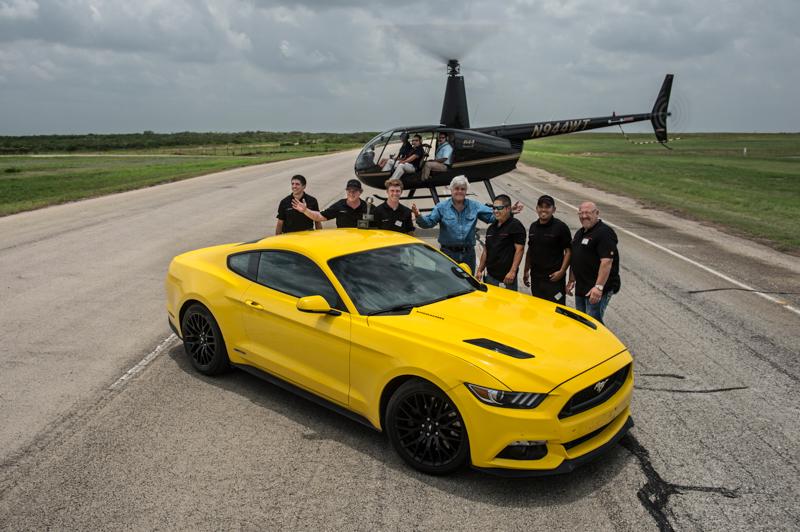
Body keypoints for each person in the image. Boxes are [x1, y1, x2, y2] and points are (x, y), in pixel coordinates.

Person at [412, 175, 523, 273]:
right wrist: (418, 216)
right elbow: (428, 223)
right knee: (446, 285)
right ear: (451, 190)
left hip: (468, 255)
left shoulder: (474, 206)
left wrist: (508, 211)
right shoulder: (441, 207)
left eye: (462, 189)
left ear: (466, 191)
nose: (459, 191)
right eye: (456, 188)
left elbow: (492, 217)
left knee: (468, 286)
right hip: (447, 254)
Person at [567, 201, 621, 324]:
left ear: (597, 213)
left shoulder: (604, 233)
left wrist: (599, 287)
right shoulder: (581, 232)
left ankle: (601, 343)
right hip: (582, 287)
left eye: (588, 213)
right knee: (581, 321)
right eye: (581, 213)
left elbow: (607, 261)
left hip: (596, 289)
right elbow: (576, 257)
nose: (584, 216)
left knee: (593, 323)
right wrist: (571, 280)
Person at [523, 194, 572, 303]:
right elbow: (530, 250)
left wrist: (562, 271)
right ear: (537, 208)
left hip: (554, 279)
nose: (543, 210)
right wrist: (526, 270)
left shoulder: (561, 227)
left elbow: (568, 251)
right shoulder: (533, 227)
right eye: (541, 206)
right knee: (538, 309)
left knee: (556, 311)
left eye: (547, 207)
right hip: (536, 277)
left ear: (553, 209)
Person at [476, 194, 526, 290]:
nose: (495, 211)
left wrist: (512, 272)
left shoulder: (515, 226)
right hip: (490, 276)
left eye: (499, 208)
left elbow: (519, 250)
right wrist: (479, 270)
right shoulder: (491, 228)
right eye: (494, 208)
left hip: (507, 278)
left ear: (508, 209)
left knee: (508, 304)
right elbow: (486, 251)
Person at [293, 178, 367, 228]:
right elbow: (319, 217)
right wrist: (305, 210)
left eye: (354, 191)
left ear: (360, 192)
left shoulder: (368, 207)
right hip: (343, 242)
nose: (351, 193)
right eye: (349, 190)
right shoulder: (339, 205)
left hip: (361, 245)